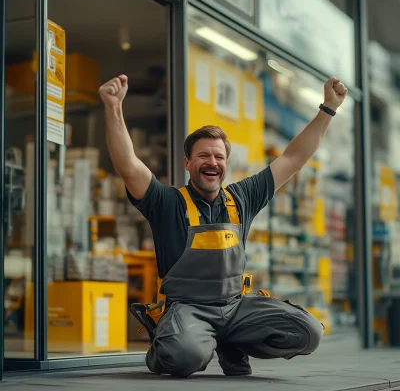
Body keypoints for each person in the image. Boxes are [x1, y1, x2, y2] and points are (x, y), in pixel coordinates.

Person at [99, 74, 347, 378]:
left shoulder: (242, 197)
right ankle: (166, 344)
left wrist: (328, 109)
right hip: (188, 310)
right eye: (203, 155)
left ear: (226, 164)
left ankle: (231, 343)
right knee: (185, 356)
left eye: (219, 156)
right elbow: (127, 164)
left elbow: (294, 157)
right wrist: (113, 107)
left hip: (236, 309)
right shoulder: (167, 202)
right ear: (187, 163)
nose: (212, 162)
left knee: (308, 332)